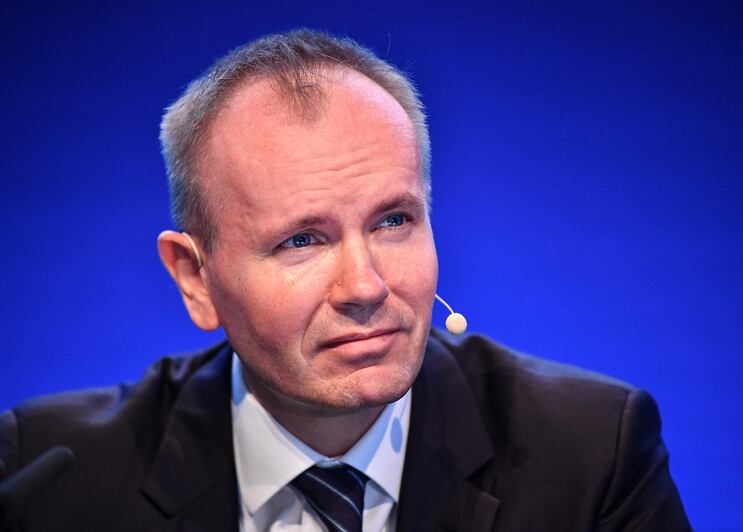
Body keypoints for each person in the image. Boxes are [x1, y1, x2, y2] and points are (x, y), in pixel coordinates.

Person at [0, 29, 690, 531]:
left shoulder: (591, 458)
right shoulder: (49, 480)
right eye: (302, 240)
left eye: (394, 221)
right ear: (195, 278)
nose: (364, 286)